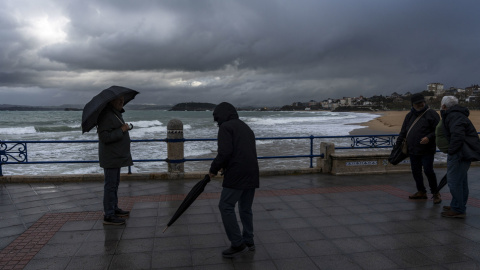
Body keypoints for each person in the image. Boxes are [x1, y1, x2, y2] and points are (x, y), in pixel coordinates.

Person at [208, 102, 260, 258]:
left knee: (225, 206)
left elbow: (225, 152)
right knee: (245, 208)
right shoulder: (245, 127)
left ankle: (237, 243)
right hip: (252, 171)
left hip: (237, 173)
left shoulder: (226, 127)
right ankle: (249, 240)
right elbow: (242, 150)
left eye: (217, 118)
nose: (217, 122)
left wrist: (213, 169)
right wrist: (226, 166)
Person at [439, 96, 480, 218]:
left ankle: (458, 208)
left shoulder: (454, 116)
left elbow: (457, 135)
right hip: (462, 153)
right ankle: (457, 204)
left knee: (454, 181)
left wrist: (451, 150)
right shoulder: (456, 114)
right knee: (461, 181)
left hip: (459, 153)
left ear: (444, 106)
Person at [397, 93, 441, 204]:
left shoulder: (432, 114)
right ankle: (421, 191)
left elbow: (438, 131)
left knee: (428, 171)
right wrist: (397, 146)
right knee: (416, 171)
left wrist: (429, 137)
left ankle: (436, 193)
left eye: (422, 102)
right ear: (413, 104)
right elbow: (403, 131)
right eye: (418, 103)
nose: (421, 104)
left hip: (427, 150)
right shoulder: (409, 116)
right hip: (413, 150)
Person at [97, 95, 133, 225]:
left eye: (123, 100)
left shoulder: (115, 113)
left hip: (116, 156)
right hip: (111, 156)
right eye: (119, 100)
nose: (121, 102)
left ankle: (114, 208)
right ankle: (109, 214)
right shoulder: (106, 115)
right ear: (111, 101)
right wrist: (122, 130)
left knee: (115, 183)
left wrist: (123, 128)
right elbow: (105, 137)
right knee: (110, 185)